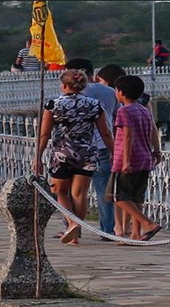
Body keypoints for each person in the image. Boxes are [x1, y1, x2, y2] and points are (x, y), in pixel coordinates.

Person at [32, 70, 113, 246]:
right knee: (80, 194)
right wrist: (114, 152)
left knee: (59, 191)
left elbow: (44, 134)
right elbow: (105, 133)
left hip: (62, 154)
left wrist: (37, 157)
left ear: (63, 85)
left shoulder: (53, 105)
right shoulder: (95, 105)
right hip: (87, 153)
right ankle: (75, 234)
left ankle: (72, 223)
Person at [65, 58, 119, 240]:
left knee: (75, 191)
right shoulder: (109, 91)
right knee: (104, 191)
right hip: (103, 146)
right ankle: (108, 230)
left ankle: (72, 227)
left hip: (77, 148)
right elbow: (114, 120)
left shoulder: (69, 95)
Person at [110, 75, 163, 241]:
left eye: (116, 90)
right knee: (136, 196)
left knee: (117, 196)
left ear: (121, 92)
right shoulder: (144, 109)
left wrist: (125, 161)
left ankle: (148, 224)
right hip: (144, 158)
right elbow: (151, 129)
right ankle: (135, 233)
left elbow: (127, 136)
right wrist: (157, 150)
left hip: (127, 160)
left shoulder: (124, 111)